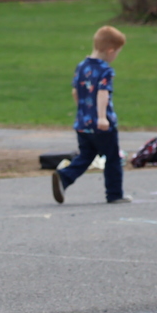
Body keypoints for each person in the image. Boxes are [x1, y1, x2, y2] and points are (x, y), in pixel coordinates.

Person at [52, 26, 130, 205]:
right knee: (112, 158)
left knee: (86, 156)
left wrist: (83, 111)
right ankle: (115, 194)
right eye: (117, 52)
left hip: (83, 122)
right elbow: (103, 93)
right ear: (110, 50)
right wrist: (102, 117)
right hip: (101, 124)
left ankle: (64, 177)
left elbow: (75, 92)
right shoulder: (105, 70)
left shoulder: (82, 66)